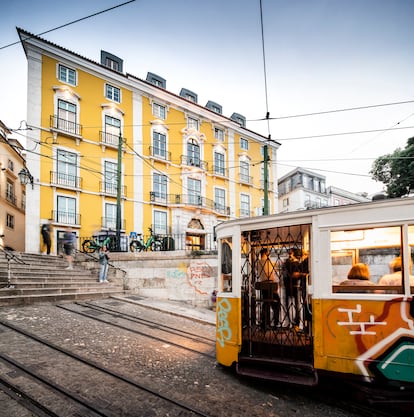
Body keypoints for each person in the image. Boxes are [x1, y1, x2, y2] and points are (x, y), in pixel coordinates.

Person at [282, 248, 308, 329]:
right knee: (296, 305)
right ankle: (296, 323)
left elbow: (285, 274)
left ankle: (289, 322)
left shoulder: (285, 262)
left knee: (288, 305)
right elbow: (295, 274)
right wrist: (303, 274)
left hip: (287, 285)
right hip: (294, 285)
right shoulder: (296, 263)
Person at [257, 248, 280, 329]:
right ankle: (276, 322)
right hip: (270, 285)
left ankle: (264, 323)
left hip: (263, 285)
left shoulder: (258, 262)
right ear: (265, 253)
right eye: (268, 252)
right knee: (277, 303)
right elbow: (274, 269)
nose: (269, 253)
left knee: (265, 304)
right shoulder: (268, 262)